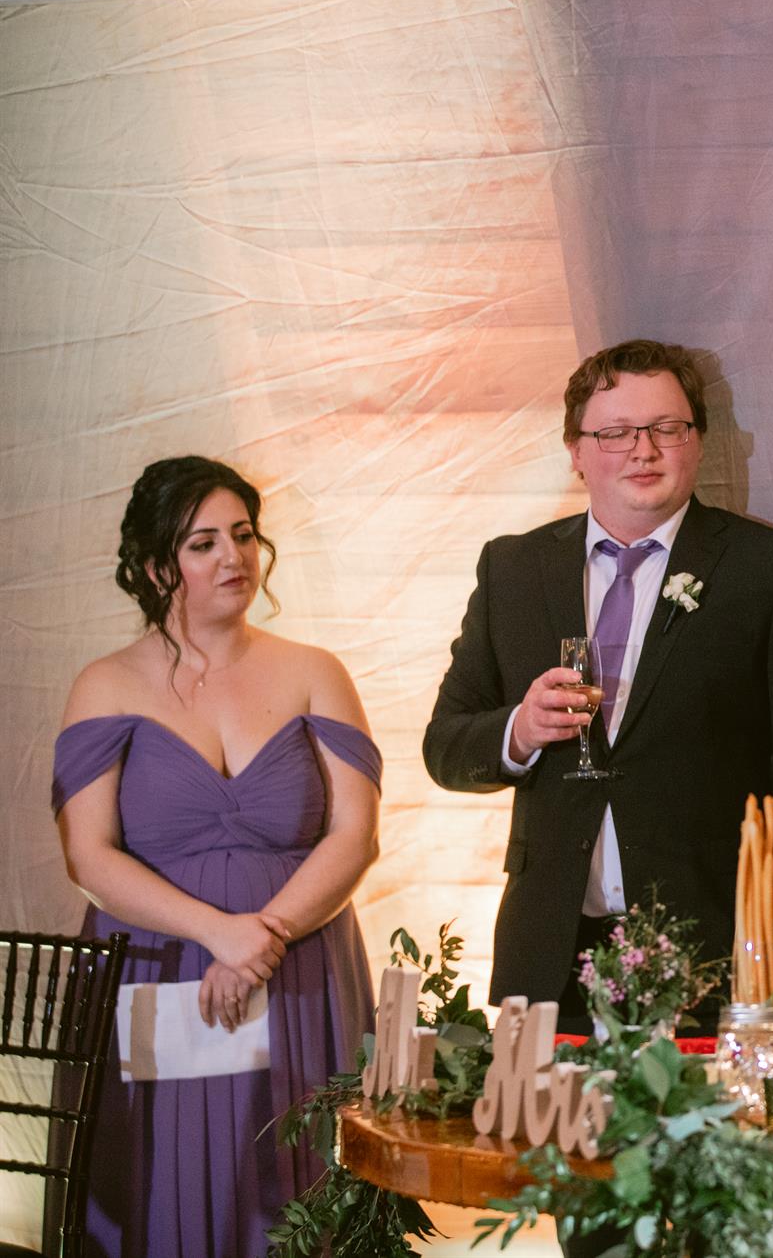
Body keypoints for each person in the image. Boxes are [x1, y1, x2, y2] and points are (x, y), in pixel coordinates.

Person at [423, 339, 773, 1035]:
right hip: (552, 953)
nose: (643, 450)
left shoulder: (769, 567)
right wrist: (519, 731)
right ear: (576, 449)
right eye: (616, 432)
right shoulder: (513, 569)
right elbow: (444, 747)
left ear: (698, 441)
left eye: (667, 429)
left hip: (715, 951)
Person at [52, 455, 378, 1258]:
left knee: (303, 1189)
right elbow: (88, 855)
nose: (234, 557)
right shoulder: (104, 684)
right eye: (204, 543)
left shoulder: (315, 671)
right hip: (160, 967)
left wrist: (264, 936)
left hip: (301, 968)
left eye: (243, 534)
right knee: (171, 1188)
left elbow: (355, 834)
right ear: (156, 566)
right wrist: (220, 933)